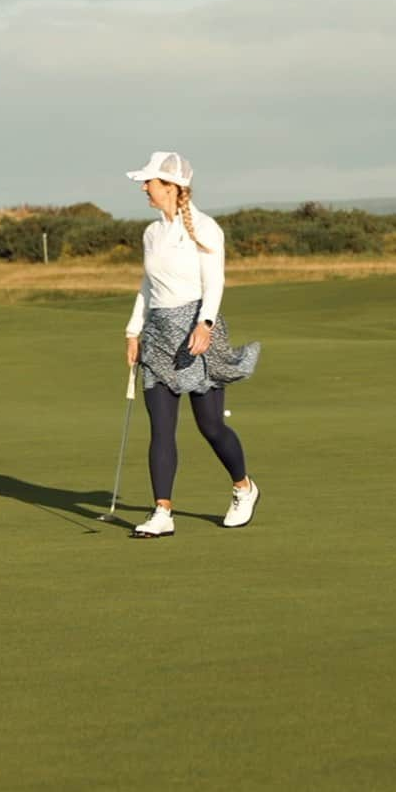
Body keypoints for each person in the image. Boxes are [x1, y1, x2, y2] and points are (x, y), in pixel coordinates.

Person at [124, 151, 260, 537]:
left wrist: (205, 323)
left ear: (171, 187)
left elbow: (214, 282)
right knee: (161, 429)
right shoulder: (151, 233)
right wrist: (133, 331)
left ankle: (243, 488)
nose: (143, 187)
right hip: (159, 336)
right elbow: (147, 286)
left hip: (197, 333)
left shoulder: (205, 228)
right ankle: (162, 512)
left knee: (211, 426)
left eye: (149, 182)